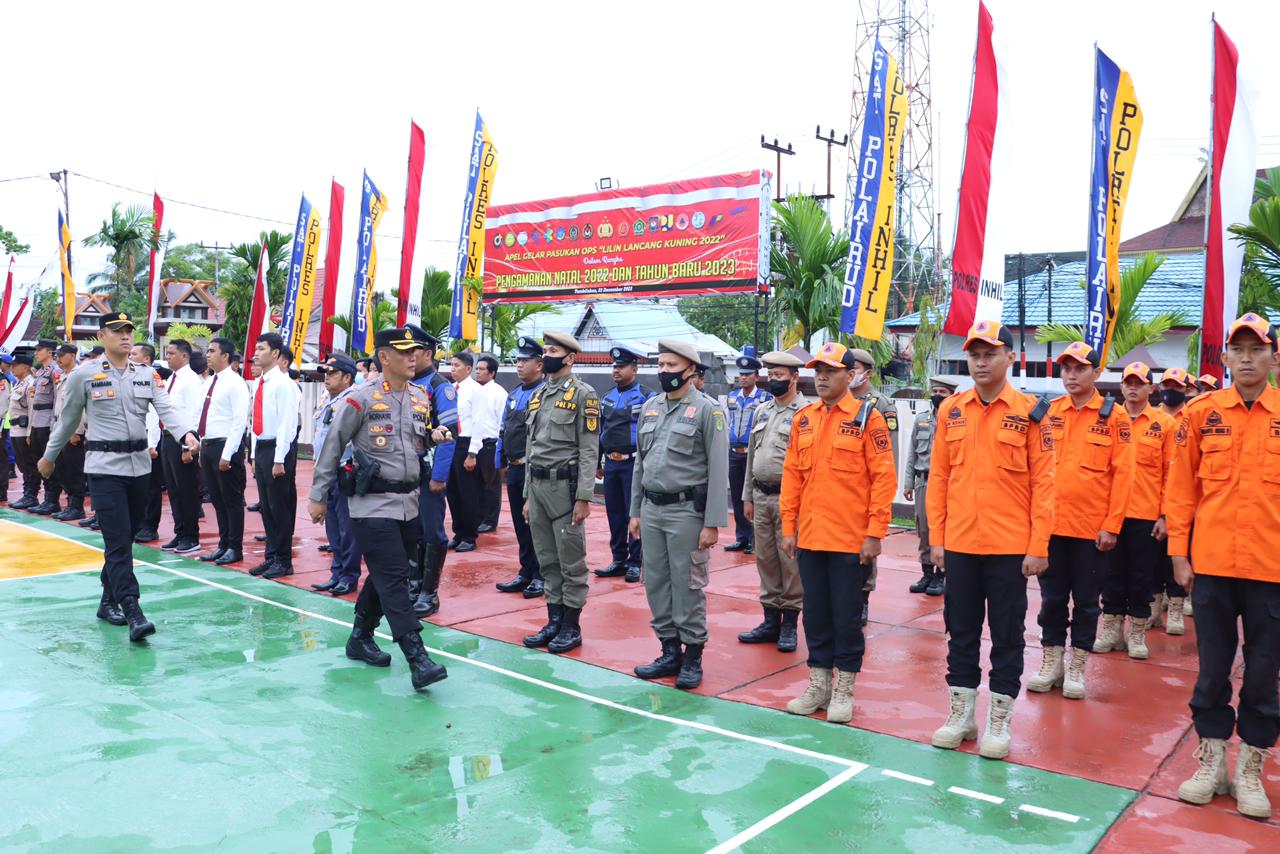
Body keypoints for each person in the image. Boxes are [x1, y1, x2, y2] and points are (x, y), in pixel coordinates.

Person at [1168, 313, 1280, 819]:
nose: (1247, 358)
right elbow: (1181, 488)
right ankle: (1210, 761)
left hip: (1272, 569)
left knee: (1262, 673)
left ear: (1274, 356)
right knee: (1212, 670)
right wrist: (1177, 551)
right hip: (1211, 564)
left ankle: (1251, 769)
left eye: (1257, 349)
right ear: (1226, 358)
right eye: (1238, 349)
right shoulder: (1200, 413)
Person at [929, 320, 1056, 760]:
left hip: (1009, 547)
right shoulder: (952, 409)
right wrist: (937, 538)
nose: (981, 362)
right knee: (960, 631)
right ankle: (961, 713)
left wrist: (1039, 544)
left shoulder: (1032, 411)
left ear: (1010, 357)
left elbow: (1045, 483)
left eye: (989, 354)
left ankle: (998, 717)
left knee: (1006, 634)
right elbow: (940, 478)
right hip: (961, 542)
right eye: (974, 355)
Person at [38, 312, 200, 641]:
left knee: (123, 539)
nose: (125, 336)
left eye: (128, 331)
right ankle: (132, 607)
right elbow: (68, 420)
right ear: (102, 337)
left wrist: (186, 434)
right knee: (117, 540)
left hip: (139, 467)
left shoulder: (146, 374)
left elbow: (166, 407)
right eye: (117, 332)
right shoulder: (84, 375)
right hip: (103, 468)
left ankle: (106, 600)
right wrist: (49, 456)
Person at [308, 326, 452, 692]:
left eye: (415, 352)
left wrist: (435, 435)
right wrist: (318, 495)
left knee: (390, 573)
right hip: (371, 504)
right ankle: (417, 657)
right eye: (404, 352)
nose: (412, 357)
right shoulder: (360, 398)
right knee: (395, 579)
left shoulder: (420, 397)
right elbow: (333, 445)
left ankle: (360, 636)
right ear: (384, 357)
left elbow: (419, 436)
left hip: (409, 502)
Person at [778, 342, 895, 722]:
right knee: (814, 615)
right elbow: (792, 477)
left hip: (850, 540)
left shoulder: (868, 418)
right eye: (818, 370)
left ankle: (844, 688)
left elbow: (883, 479)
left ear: (850, 375)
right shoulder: (805, 418)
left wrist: (875, 533)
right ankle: (818, 684)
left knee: (846, 618)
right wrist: (789, 526)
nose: (823, 377)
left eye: (831, 370)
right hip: (810, 536)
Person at [1027, 341, 1134, 701]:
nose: (1071, 375)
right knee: (1051, 599)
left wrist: (1112, 525)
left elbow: (1124, 476)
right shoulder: (1047, 411)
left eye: (1079, 369)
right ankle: (1051, 661)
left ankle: (1076, 667)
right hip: (1051, 527)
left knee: (1087, 602)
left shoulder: (1114, 416)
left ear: (1096, 373)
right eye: (1066, 369)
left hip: (1091, 531)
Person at [630, 339, 729, 690]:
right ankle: (668, 650)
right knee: (655, 582)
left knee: (688, 585)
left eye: (672, 366)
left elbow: (718, 469)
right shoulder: (651, 407)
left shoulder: (707, 411)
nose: (664, 372)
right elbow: (641, 462)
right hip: (652, 510)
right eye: (661, 365)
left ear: (690, 370)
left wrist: (713, 523)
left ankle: (692, 656)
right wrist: (635, 510)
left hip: (687, 512)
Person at [522, 331, 600, 654]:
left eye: (553, 350)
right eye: (546, 350)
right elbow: (532, 446)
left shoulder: (584, 394)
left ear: (569, 357)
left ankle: (571, 625)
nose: (547, 355)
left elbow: (589, 449)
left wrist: (584, 496)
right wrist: (527, 494)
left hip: (564, 490)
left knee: (571, 561)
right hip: (538, 487)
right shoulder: (538, 395)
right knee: (547, 560)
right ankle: (553, 619)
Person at [1094, 362, 1175, 660]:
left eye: (1139, 382)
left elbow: (1171, 474)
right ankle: (1112, 629)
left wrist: (1165, 515)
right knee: (1111, 574)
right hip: (1111, 513)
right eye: (1128, 381)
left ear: (1151, 388)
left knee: (1142, 576)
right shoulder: (1109, 419)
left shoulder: (1164, 424)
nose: (1132, 387)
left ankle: (1137, 632)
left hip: (1146, 514)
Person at [738, 351, 808, 652]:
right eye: (771, 375)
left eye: (779, 375)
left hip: (789, 498)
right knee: (765, 558)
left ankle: (790, 624)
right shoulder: (762, 410)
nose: (773, 380)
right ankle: (770, 620)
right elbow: (753, 456)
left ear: (794, 378)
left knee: (789, 561)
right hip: (760, 494)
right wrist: (746, 496)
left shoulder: (807, 413)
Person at [407, 325, 458, 618]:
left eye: (414, 351)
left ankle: (429, 593)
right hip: (407, 472)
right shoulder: (408, 384)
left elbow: (449, 434)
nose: (409, 357)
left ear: (427, 353)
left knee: (432, 532)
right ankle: (413, 586)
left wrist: (439, 475)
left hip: (428, 472)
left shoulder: (440, 386)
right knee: (412, 530)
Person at [845, 348, 898, 625]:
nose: (849, 373)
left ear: (868, 372)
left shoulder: (881, 404)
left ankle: (863, 599)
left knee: (865, 548)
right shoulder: (838, 401)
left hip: (868, 490)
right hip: (842, 490)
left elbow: (890, 455)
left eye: (855, 367)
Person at [594, 346, 654, 583]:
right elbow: (601, 430)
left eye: (621, 366)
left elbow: (651, 432)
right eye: (614, 366)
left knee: (634, 512)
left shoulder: (647, 396)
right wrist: (599, 460)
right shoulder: (607, 397)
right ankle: (618, 559)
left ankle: (635, 562)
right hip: (611, 464)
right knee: (615, 513)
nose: (616, 370)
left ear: (635, 369)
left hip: (634, 464)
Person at [495, 337, 547, 597]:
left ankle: (540, 575)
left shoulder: (544, 394)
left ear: (539, 364)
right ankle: (526, 570)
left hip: (533, 468)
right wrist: (499, 460)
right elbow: (504, 429)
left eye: (525, 360)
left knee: (535, 523)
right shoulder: (515, 394)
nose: (519, 364)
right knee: (519, 522)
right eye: (518, 360)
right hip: (514, 468)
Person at [310, 353, 363, 596]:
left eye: (332, 373)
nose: (326, 378)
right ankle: (337, 572)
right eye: (325, 373)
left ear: (347, 377)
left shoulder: (352, 400)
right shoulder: (328, 400)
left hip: (345, 471)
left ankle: (349, 576)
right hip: (327, 471)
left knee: (347, 527)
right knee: (332, 525)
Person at [248, 333, 300, 579]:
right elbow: (257, 420)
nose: (256, 353)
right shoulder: (261, 382)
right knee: (267, 507)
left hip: (279, 449)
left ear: (276, 354)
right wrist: (255, 453)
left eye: (261, 348)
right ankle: (271, 556)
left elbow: (286, 425)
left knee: (280, 506)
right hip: (263, 447)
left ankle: (283, 559)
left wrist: (279, 458)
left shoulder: (284, 383)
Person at [196, 338, 250, 566]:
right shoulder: (210, 381)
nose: (207, 355)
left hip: (226, 445)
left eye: (212, 351)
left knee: (231, 500)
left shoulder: (235, 383)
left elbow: (239, 421)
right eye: (207, 351)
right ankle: (223, 543)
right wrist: (201, 446)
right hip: (209, 445)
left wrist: (228, 453)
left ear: (225, 356)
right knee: (217, 499)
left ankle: (234, 547)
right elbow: (205, 416)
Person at [904, 377, 958, 596]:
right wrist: (908, 483)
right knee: (924, 528)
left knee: (944, 529)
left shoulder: (957, 420)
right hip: (923, 481)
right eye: (934, 390)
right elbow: (911, 452)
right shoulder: (922, 420)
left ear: (951, 394)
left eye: (942, 392)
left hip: (949, 484)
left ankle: (940, 575)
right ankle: (926, 573)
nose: (937, 395)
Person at [158, 339, 204, 554]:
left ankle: (191, 536)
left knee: (186, 490)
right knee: (174, 490)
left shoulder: (191, 380)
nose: (168, 356)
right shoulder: (171, 380)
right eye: (167, 353)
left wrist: (188, 446)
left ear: (184, 356)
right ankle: (180, 532)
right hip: (167, 437)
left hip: (183, 440)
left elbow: (194, 415)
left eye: (172, 353)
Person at [725, 349, 770, 554]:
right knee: (736, 496)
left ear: (756, 376)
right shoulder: (732, 397)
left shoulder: (764, 398)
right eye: (741, 374)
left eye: (747, 374)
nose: (743, 377)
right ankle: (741, 537)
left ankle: (754, 538)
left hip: (753, 453)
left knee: (751, 496)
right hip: (734, 452)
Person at [446, 351, 482, 552]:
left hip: (467, 443)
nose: (453, 369)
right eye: (451, 365)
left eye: (457, 365)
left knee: (468, 492)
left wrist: (472, 453)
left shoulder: (476, 390)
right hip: (451, 441)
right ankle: (458, 532)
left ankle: (469, 535)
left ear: (468, 369)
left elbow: (479, 422)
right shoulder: (450, 389)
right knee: (453, 491)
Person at [49, 343, 88, 521]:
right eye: (57, 355)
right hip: (61, 427)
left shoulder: (78, 375)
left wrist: (76, 431)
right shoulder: (64, 376)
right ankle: (70, 504)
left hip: (72, 430)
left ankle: (77, 507)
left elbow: (80, 408)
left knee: (74, 470)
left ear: (72, 355)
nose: (58, 359)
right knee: (63, 469)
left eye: (62, 355)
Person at [131, 342, 164, 543]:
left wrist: (151, 442)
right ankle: (140, 523)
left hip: (148, 439)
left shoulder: (151, 376)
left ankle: (150, 526)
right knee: (137, 485)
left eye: (134, 353)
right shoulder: (130, 376)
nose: (130, 355)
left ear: (146, 359)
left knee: (151, 486)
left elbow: (153, 414)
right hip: (134, 438)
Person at [27, 338, 61, 514]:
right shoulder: (40, 373)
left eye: (39, 350)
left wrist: (53, 424)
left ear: (49, 352)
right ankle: (47, 498)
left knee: (49, 460)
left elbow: (57, 399)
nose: (36, 353)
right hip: (37, 420)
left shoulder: (55, 371)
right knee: (37, 459)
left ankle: (52, 500)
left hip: (48, 420)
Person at [473, 354, 507, 533]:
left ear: (492, 373)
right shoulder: (475, 390)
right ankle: (478, 516)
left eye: (481, 369)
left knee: (491, 484)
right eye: (476, 369)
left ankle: (490, 519)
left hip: (491, 444)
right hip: (475, 443)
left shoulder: (499, 393)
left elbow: (503, 422)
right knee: (476, 483)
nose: (477, 372)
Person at [8, 354, 37, 508]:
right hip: (15, 429)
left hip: (24, 429)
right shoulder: (18, 383)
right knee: (22, 464)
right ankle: (27, 494)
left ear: (25, 367)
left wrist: (30, 432)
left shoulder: (30, 384)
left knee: (28, 464)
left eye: (16, 365)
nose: (12, 367)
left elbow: (32, 410)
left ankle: (31, 495)